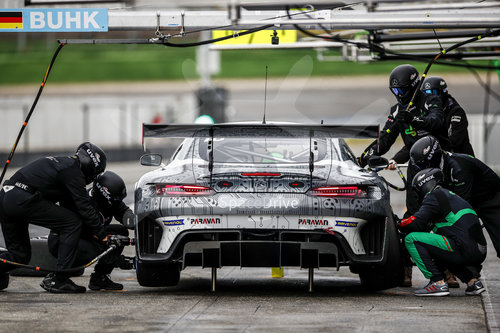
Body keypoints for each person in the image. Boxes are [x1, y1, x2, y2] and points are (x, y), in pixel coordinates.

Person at [359, 64, 450, 286]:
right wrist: (364, 157)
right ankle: (406, 272)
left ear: (413, 86)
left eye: (401, 91)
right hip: (415, 171)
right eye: (395, 92)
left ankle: (449, 271)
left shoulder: (430, 98)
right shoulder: (398, 111)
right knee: (412, 219)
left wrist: (417, 120)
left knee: (442, 218)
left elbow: (438, 120)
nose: (398, 96)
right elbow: (384, 140)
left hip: (440, 166)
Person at [0, 142, 107, 293]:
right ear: (91, 166)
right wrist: (102, 235)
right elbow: (84, 208)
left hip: (6, 196)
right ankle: (59, 279)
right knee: (71, 223)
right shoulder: (74, 171)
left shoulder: (63, 165)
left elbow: (70, 206)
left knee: (20, 256)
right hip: (21, 199)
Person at [398, 168, 487, 296]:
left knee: (411, 239)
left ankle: (437, 283)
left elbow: (416, 222)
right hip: (478, 251)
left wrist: (399, 223)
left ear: (424, 185)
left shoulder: (434, 196)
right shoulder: (451, 195)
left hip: (464, 248)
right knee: (439, 247)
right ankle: (472, 282)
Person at [410, 135, 500, 258]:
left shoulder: (458, 168)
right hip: (474, 199)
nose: (422, 170)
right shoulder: (441, 166)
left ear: (432, 158)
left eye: (423, 165)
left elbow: (460, 203)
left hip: (492, 200)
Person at [47, 171, 135, 291]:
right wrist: (121, 261)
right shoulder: (85, 204)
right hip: (64, 240)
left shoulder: (111, 200)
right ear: (103, 194)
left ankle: (99, 279)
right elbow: (96, 238)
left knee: (121, 233)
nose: (115, 203)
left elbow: (123, 210)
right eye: (113, 200)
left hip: (89, 236)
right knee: (97, 249)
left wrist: (133, 221)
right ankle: (58, 278)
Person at [420, 76, 474, 155]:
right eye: (426, 94)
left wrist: (430, 147)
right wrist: (396, 160)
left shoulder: (456, 112)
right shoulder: (425, 113)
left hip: (460, 159)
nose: (430, 97)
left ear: (443, 93)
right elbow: (415, 140)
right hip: (436, 158)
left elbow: (455, 141)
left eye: (432, 93)